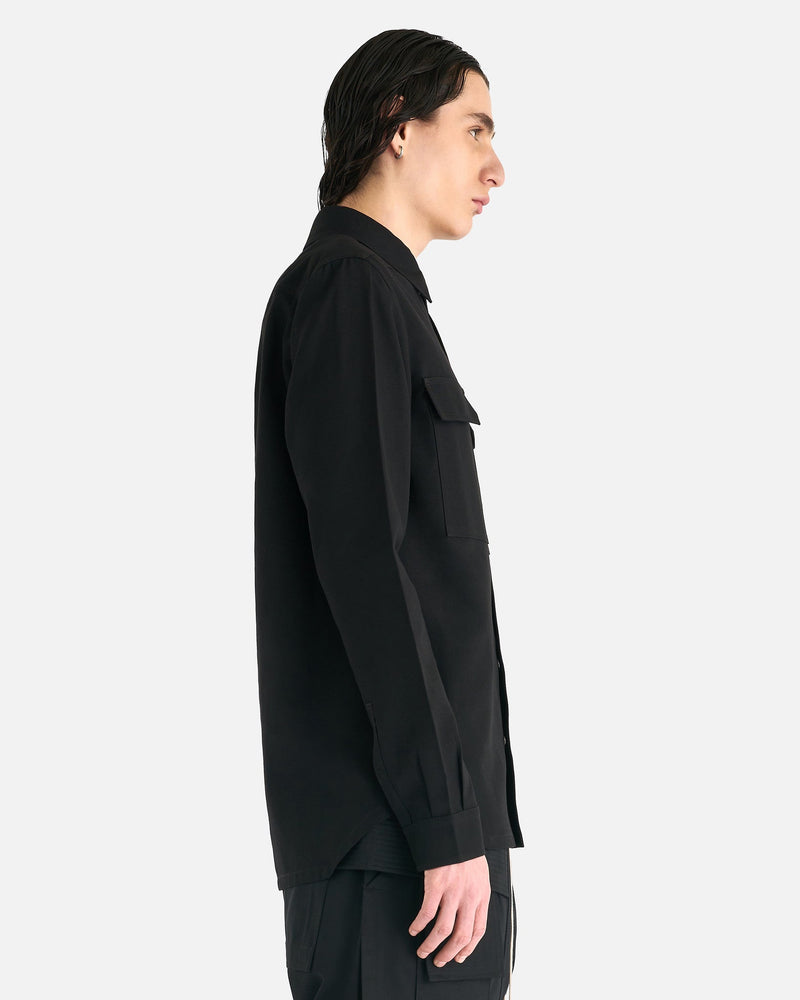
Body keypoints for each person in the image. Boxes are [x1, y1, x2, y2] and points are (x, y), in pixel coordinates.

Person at [254, 27, 524, 999]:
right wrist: (445, 824)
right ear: (396, 126)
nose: (495, 167)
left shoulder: (381, 299)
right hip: (397, 861)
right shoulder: (350, 292)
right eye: (474, 129)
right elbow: (366, 564)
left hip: (416, 854)